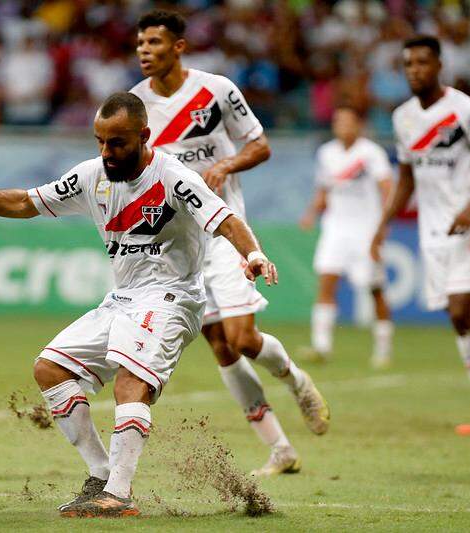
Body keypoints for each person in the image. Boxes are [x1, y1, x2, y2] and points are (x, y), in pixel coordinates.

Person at [0, 92, 281, 517]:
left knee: (132, 379)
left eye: (117, 143)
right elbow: (25, 202)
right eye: (99, 141)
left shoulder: (175, 178)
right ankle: (100, 474)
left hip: (172, 298)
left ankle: (119, 493)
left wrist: (253, 254)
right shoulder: (92, 176)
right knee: (49, 368)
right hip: (122, 300)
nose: (106, 152)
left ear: (144, 136)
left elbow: (226, 219)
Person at [129, 10, 329, 478]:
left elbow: (260, 145)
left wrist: (227, 165)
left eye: (154, 42)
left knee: (242, 338)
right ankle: (280, 450)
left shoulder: (216, 90)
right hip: (177, 245)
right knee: (221, 348)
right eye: (140, 43)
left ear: (178, 47)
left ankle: (295, 380)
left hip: (224, 232)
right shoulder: (135, 105)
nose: (144, 50)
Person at [371, 35, 470, 434]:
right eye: (408, 64)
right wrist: (383, 222)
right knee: (457, 319)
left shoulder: (465, 110)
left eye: (423, 63)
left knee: (463, 310)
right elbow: (405, 177)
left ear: (439, 65)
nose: (415, 70)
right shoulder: (403, 117)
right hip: (433, 230)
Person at [300, 106, 394, 368]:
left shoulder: (370, 153)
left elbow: (387, 187)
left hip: (366, 229)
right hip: (336, 228)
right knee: (326, 282)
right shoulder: (327, 153)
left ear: (358, 125)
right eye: (338, 121)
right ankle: (321, 347)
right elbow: (324, 189)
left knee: (375, 289)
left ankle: (383, 349)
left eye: (347, 121)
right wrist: (311, 213)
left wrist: (383, 225)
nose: (342, 126)